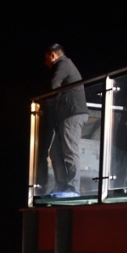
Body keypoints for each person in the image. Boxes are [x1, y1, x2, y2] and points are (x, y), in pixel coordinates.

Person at [45, 44, 89, 197]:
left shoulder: (63, 63)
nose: (46, 63)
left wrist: (49, 101)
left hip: (73, 113)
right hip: (67, 115)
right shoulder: (66, 64)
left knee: (70, 150)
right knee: (55, 153)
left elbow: (54, 84)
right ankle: (62, 186)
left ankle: (73, 189)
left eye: (46, 59)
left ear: (52, 55)